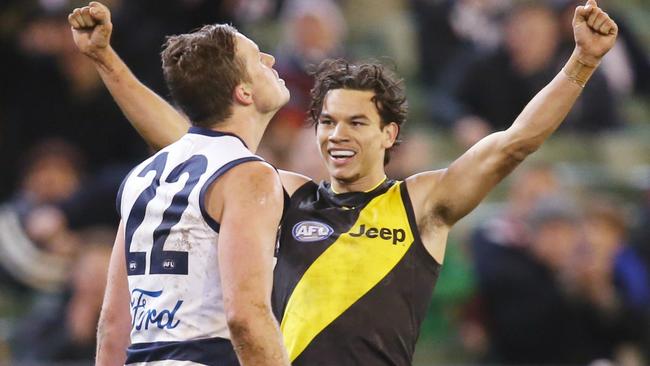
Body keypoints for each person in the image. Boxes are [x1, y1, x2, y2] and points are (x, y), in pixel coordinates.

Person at [69, 1, 618, 364]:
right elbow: (189, 144)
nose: (337, 135)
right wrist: (107, 61)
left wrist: (581, 65)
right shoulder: (279, 191)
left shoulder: (420, 203)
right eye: (327, 121)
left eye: (357, 122)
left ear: (389, 134)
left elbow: (514, 142)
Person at [68, 4, 291, 365]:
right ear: (244, 93)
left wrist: (105, 58)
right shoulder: (249, 175)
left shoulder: (142, 177)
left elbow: (112, 325)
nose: (269, 58)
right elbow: (246, 317)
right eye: (257, 59)